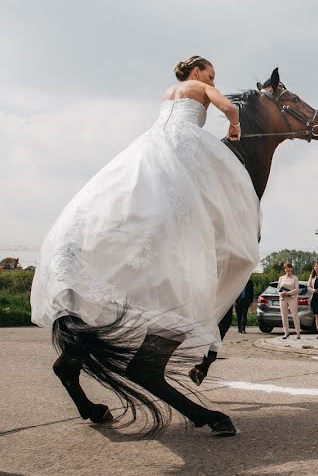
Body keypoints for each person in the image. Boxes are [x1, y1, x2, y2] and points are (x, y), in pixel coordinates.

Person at [31, 55, 260, 355]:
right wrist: (235, 126)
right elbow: (229, 107)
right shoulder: (199, 87)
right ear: (195, 71)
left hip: (154, 143)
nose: (213, 82)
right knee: (223, 190)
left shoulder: (168, 92)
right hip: (186, 144)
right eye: (211, 75)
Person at [278, 263, 301, 340]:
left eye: (289, 268)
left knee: (295, 315)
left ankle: (298, 332)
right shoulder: (281, 278)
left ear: (291, 269)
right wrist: (282, 293)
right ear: (284, 269)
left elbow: (297, 290)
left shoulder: (295, 278)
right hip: (283, 298)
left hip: (292, 298)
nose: (287, 269)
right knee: (284, 316)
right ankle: (286, 332)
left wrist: (288, 293)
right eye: (286, 268)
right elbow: (278, 289)